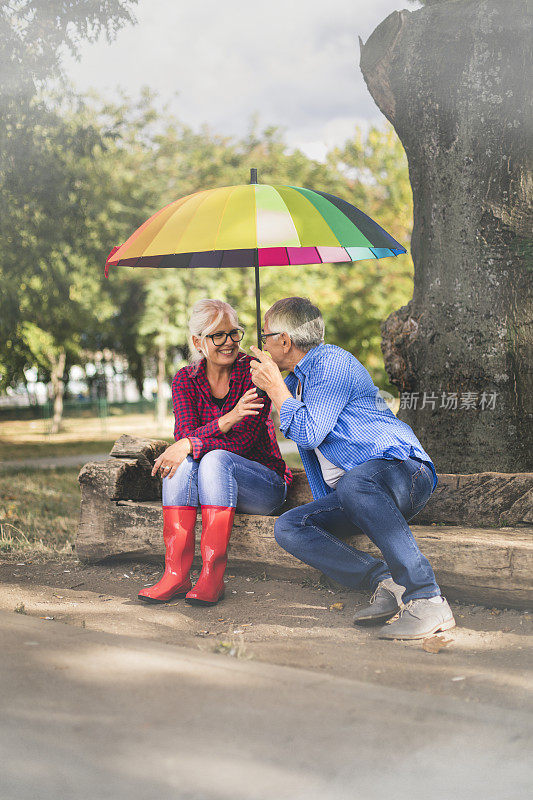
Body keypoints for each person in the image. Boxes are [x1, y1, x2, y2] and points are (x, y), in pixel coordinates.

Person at [249, 296, 455, 640]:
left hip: (403, 472)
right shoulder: (300, 381)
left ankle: (427, 598)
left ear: (285, 340)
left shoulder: (331, 364)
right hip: (358, 492)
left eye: (264, 335)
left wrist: (276, 390)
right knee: (290, 526)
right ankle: (385, 582)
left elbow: (310, 431)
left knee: (355, 484)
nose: (263, 345)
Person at [138, 298, 292, 607]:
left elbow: (242, 444)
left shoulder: (254, 375)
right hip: (211, 487)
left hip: (264, 486)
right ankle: (176, 574)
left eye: (234, 333)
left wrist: (214, 429)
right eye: (217, 335)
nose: (229, 342)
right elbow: (183, 438)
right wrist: (225, 420)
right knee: (180, 463)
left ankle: (211, 575)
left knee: (213, 458)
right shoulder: (185, 380)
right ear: (197, 341)